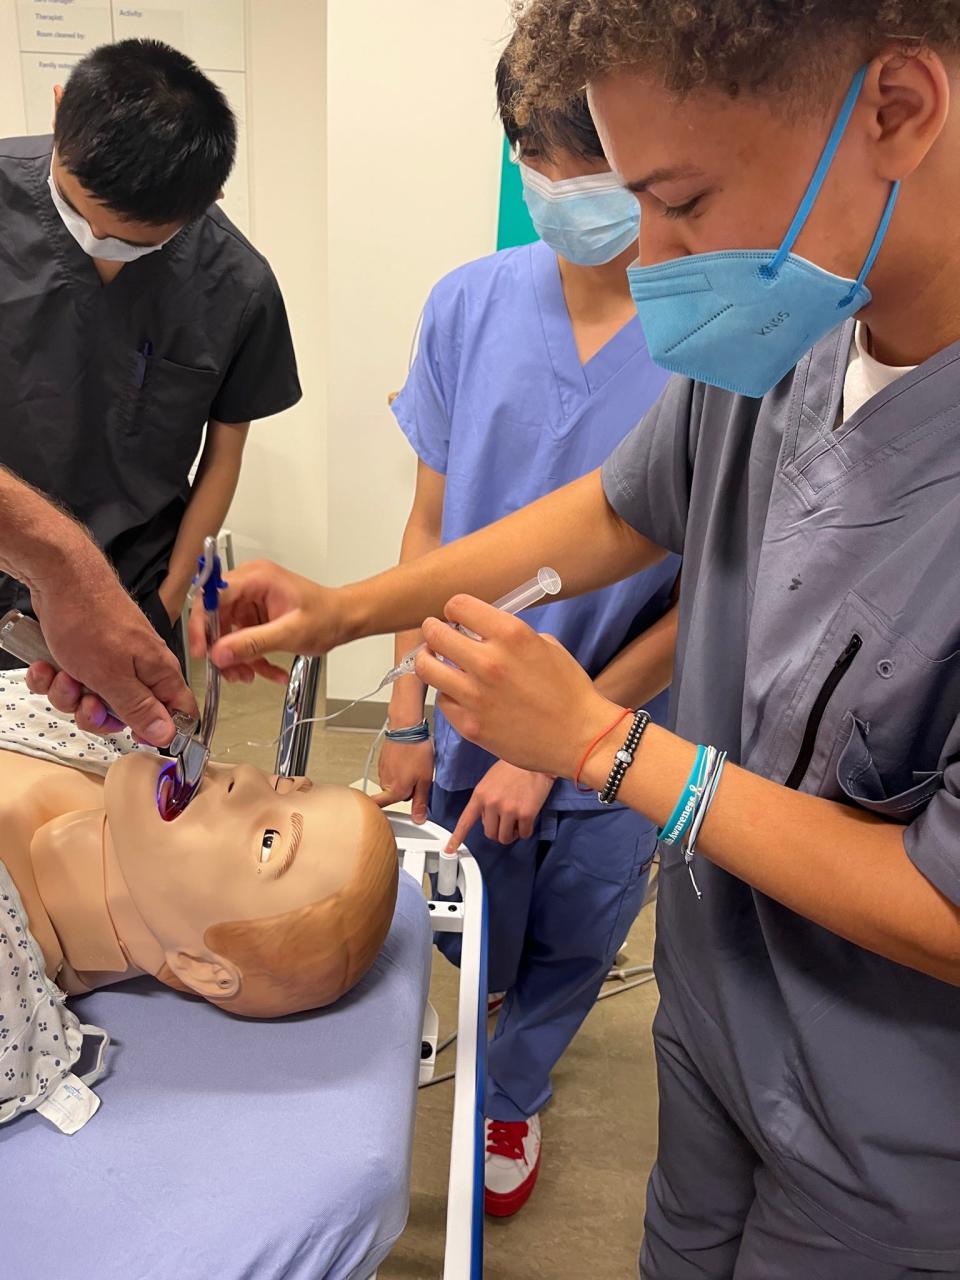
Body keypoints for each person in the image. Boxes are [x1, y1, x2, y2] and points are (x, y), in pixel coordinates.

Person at [86, 7, 960, 1276]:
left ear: (894, 108)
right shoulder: (789, 334)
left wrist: (601, 746)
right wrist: (346, 611)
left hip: (891, 1136)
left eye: (684, 199)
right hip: (720, 1029)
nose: (654, 260)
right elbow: (612, 509)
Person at [376, 45, 679, 1217]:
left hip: (625, 716)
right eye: (537, 168)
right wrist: (407, 705)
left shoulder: (711, 333)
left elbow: (706, 585)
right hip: (461, 699)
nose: (564, 198)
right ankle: (493, 1014)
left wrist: (558, 740)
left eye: (589, 174)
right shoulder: (470, 302)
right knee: (473, 915)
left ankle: (517, 1080)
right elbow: (430, 522)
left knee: (581, 924)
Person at [0, 38, 301, 671]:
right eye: (83, 217)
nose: (100, 244)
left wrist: (165, 605)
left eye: (133, 241)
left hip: (128, 599)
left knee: (131, 764)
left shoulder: (239, 287)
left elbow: (222, 458)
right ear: (60, 113)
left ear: (206, 200)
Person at [0, 671, 398, 1127]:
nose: (245, 777)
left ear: (203, 968)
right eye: (283, 785)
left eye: (269, 842)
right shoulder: (102, 734)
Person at [4, 465, 197, 746]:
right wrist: (66, 573)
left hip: (145, 579)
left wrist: (168, 602)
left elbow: (223, 461)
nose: (245, 774)